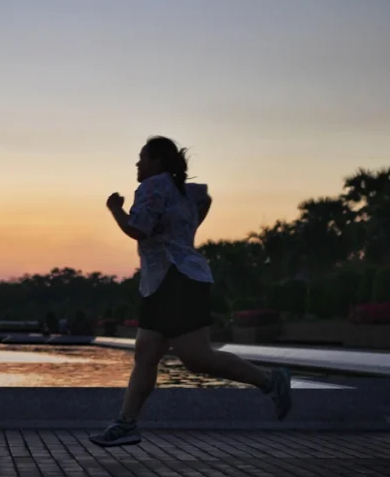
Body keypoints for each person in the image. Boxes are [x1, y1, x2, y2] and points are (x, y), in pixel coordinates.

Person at [89, 136, 292, 447]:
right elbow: (203, 201)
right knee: (146, 353)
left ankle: (269, 381)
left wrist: (115, 209)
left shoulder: (153, 186)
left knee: (197, 358)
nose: (138, 164)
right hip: (165, 281)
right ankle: (126, 423)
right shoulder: (184, 190)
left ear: (157, 160)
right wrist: (183, 232)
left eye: (142, 157)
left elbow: (137, 229)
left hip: (175, 280)